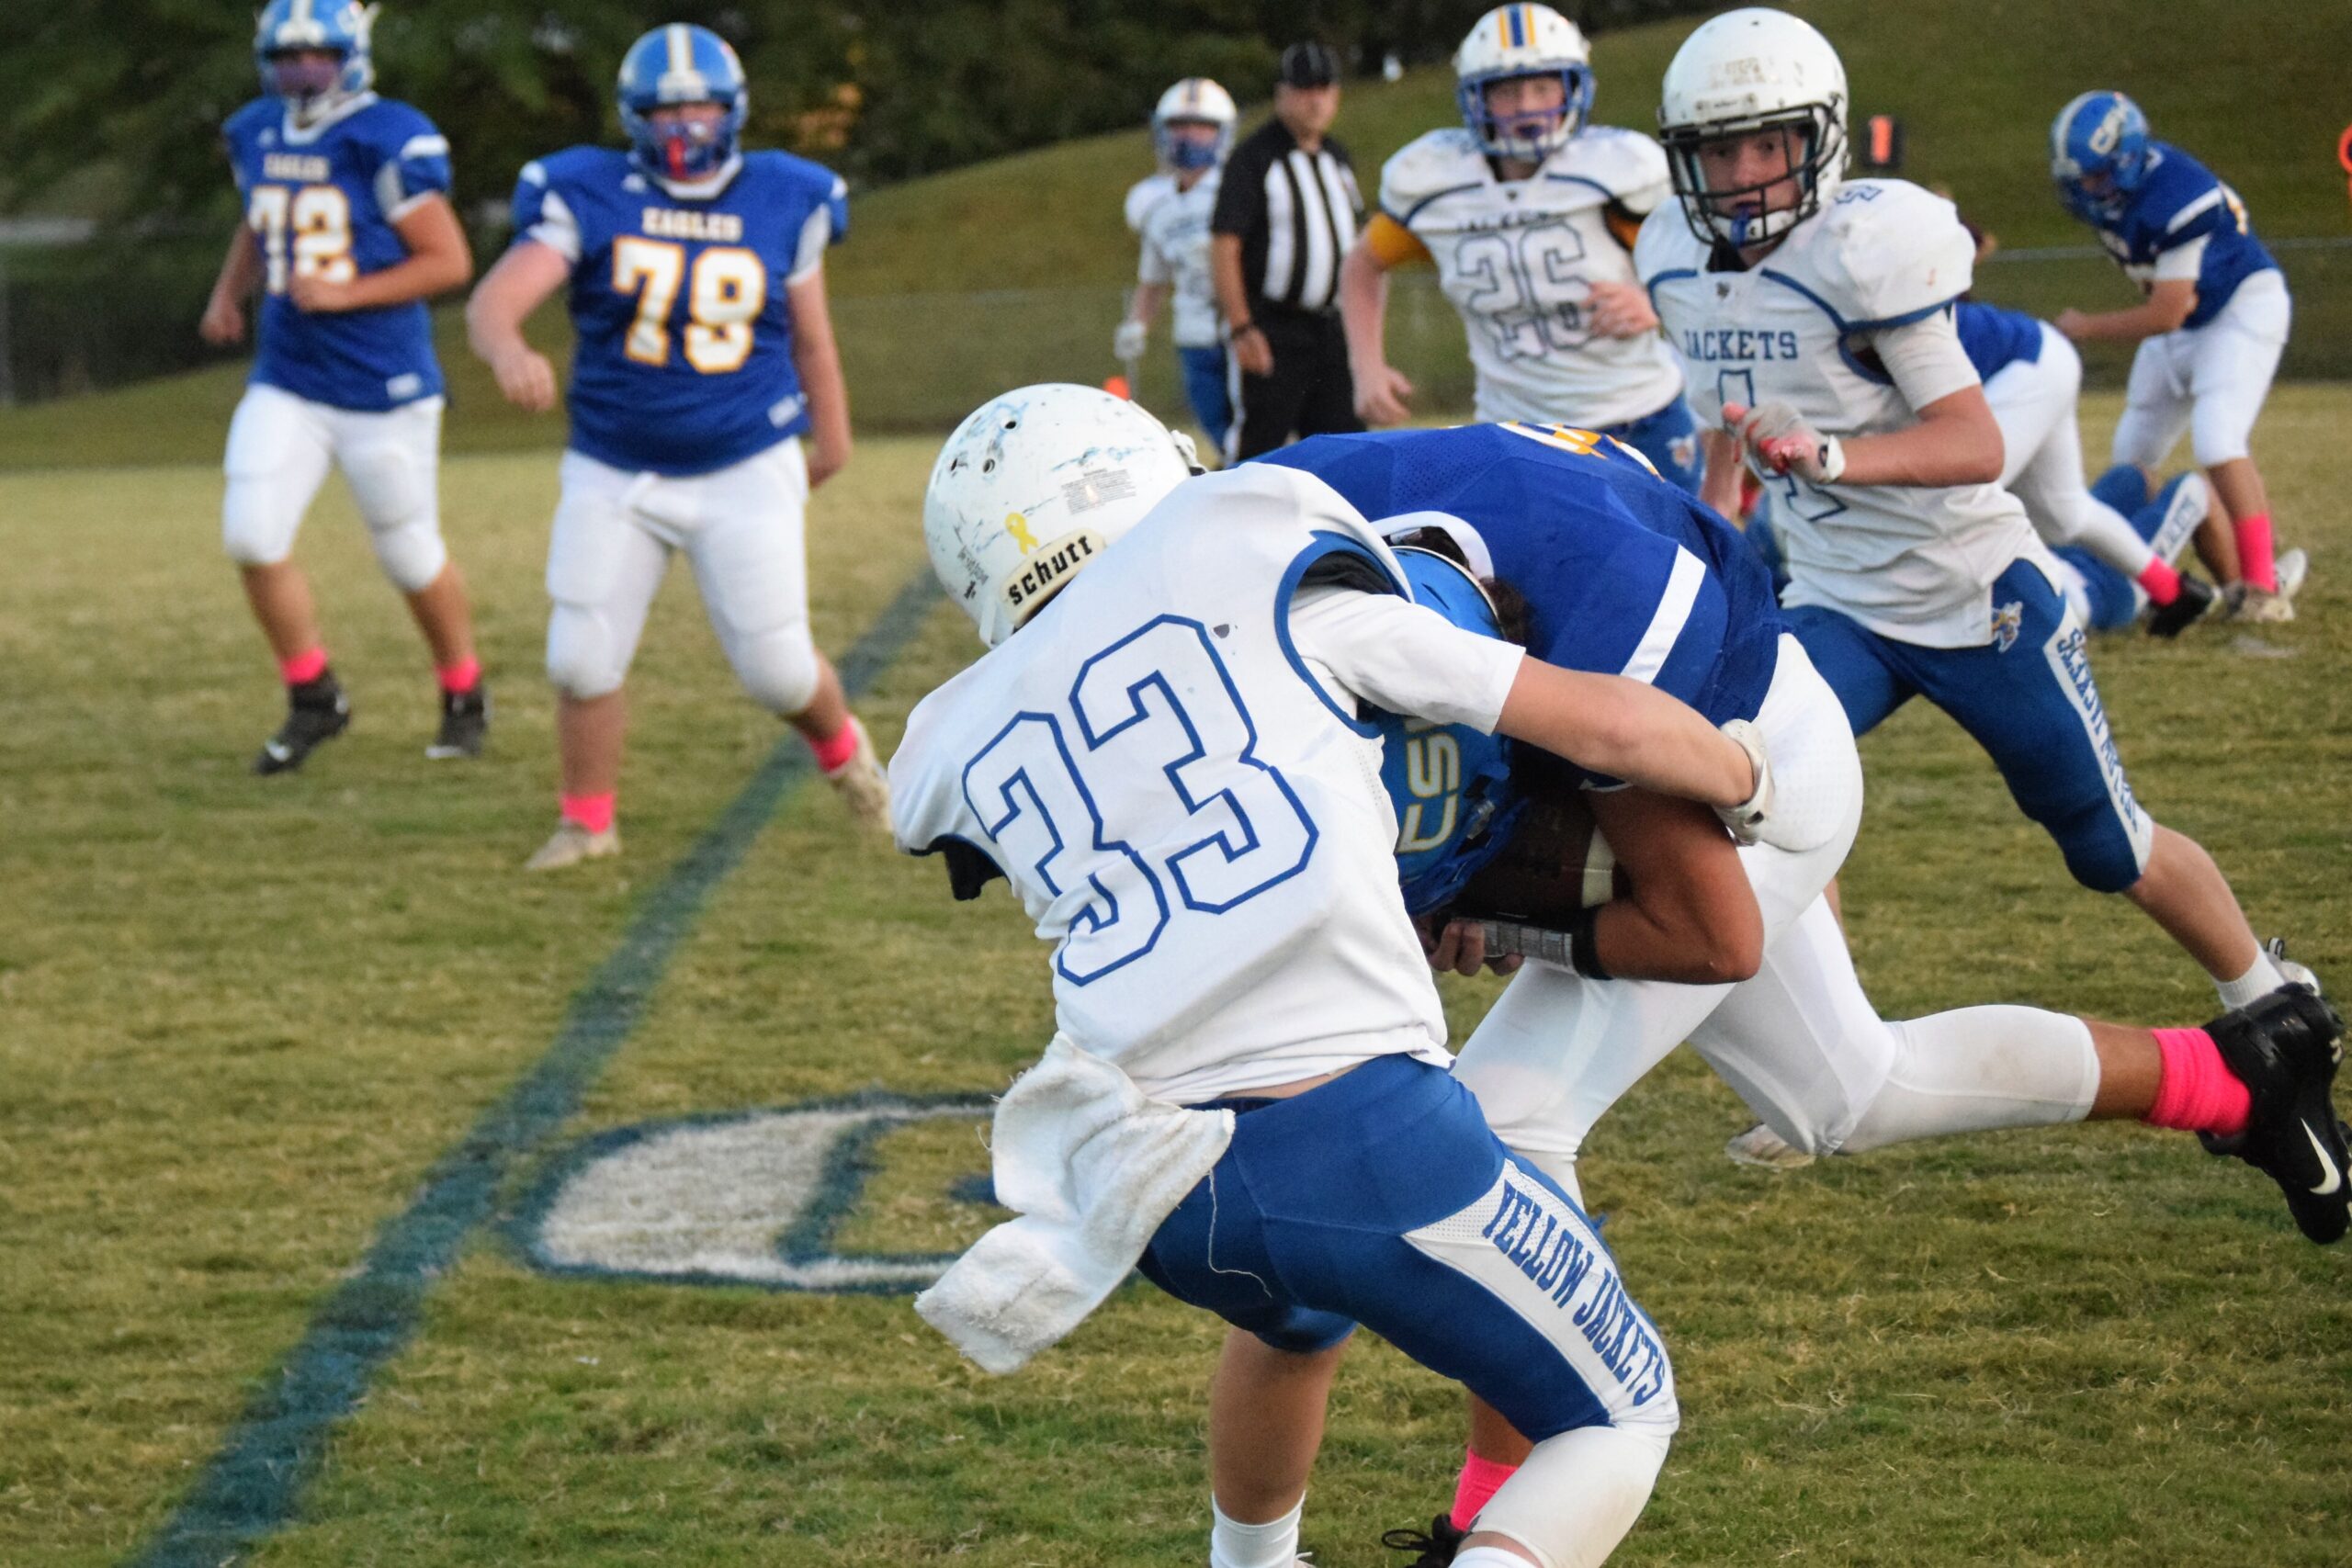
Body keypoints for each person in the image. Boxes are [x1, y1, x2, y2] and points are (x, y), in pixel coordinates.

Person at [1255, 423, 2346, 1566]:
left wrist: (1504, 920)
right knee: (1847, 1091)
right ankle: (2234, 1079)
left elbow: (1709, 936)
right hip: (1654, 708)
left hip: (1745, 780)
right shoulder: (1285, 514)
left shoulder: (1589, 622)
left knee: (1509, 1126)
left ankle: (1491, 1514)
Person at [894, 385, 1811, 1568]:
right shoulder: (1263, 568)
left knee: (1296, 1324)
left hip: (1155, 1181)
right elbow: (1610, 730)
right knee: (1617, 1415)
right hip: (1356, 1133)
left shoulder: (967, 728)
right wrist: (1748, 781)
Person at [1635, 8, 2301, 1022]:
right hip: (1836, 600)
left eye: (1766, 145)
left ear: (1817, 137)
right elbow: (1719, 414)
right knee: (1756, 790)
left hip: (1972, 594)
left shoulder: (1861, 249)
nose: (1741, 176)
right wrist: (1718, 517)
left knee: (2106, 843)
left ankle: (2266, 991)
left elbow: (1975, 442)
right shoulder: (1678, 259)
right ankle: (1843, 1044)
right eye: (1718, 152)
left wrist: (1831, 454)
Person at [464, 23, 888, 871]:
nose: (685, 126)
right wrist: (508, 350)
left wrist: (832, 435)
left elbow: (810, 337)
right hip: (615, 462)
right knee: (580, 656)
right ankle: (587, 824)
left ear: (733, 111)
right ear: (634, 117)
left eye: (700, 107)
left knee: (776, 670)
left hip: (745, 456)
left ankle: (847, 756)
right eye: (665, 111)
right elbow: (493, 302)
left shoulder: (785, 195)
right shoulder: (590, 191)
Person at [201, 0, 487, 774]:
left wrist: (348, 292)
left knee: (409, 553)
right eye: (287, 57)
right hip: (289, 374)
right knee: (251, 534)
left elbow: (448, 261)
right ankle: (313, 696)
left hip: (381, 382)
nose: (302, 72)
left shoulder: (386, 135)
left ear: (351, 55)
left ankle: (463, 690)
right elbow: (262, 220)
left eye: (317, 56)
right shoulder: (255, 130)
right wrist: (229, 292)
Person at [1340, 6, 1701, 491]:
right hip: (1517, 431)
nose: (1526, 107)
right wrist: (1367, 368)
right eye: (1507, 92)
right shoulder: (1441, 187)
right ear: (1477, 98)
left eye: (1542, 87)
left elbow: (1701, 262)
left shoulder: (1618, 174)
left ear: (1572, 89)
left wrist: (1653, 303)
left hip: (1638, 416)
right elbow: (1362, 264)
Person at [2049, 90, 2301, 622]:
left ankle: (2263, 588)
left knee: (2218, 439)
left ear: (2128, 158)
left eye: (2097, 175)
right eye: (2081, 178)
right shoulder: (2121, 194)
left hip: (2238, 306)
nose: (2088, 189)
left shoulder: (2178, 194)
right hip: (2188, 316)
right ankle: (2207, 580)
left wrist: (2085, 327)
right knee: (2132, 461)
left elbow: (2166, 312)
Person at [1957, 299, 2224, 635]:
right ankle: (2173, 590)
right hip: (2099, 578)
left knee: (1960, 500)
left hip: (2089, 580)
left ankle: (2231, 586)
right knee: (2100, 494)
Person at [1211, 41, 1365, 461]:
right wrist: (1241, 327)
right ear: (1282, 94)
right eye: (1304, 89)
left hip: (1329, 328)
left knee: (1344, 446)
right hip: (1274, 328)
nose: (1315, 101)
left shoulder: (1337, 158)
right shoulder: (1255, 158)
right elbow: (1225, 244)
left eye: (1324, 89)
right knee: (1259, 448)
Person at [1116, 78, 1238, 454]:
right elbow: (1153, 279)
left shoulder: (1239, 190)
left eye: (1201, 126)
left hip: (1242, 328)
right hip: (1194, 333)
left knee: (1253, 430)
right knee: (1215, 428)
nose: (1188, 136)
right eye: (1178, 125)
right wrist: (1138, 324)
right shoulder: (1156, 206)